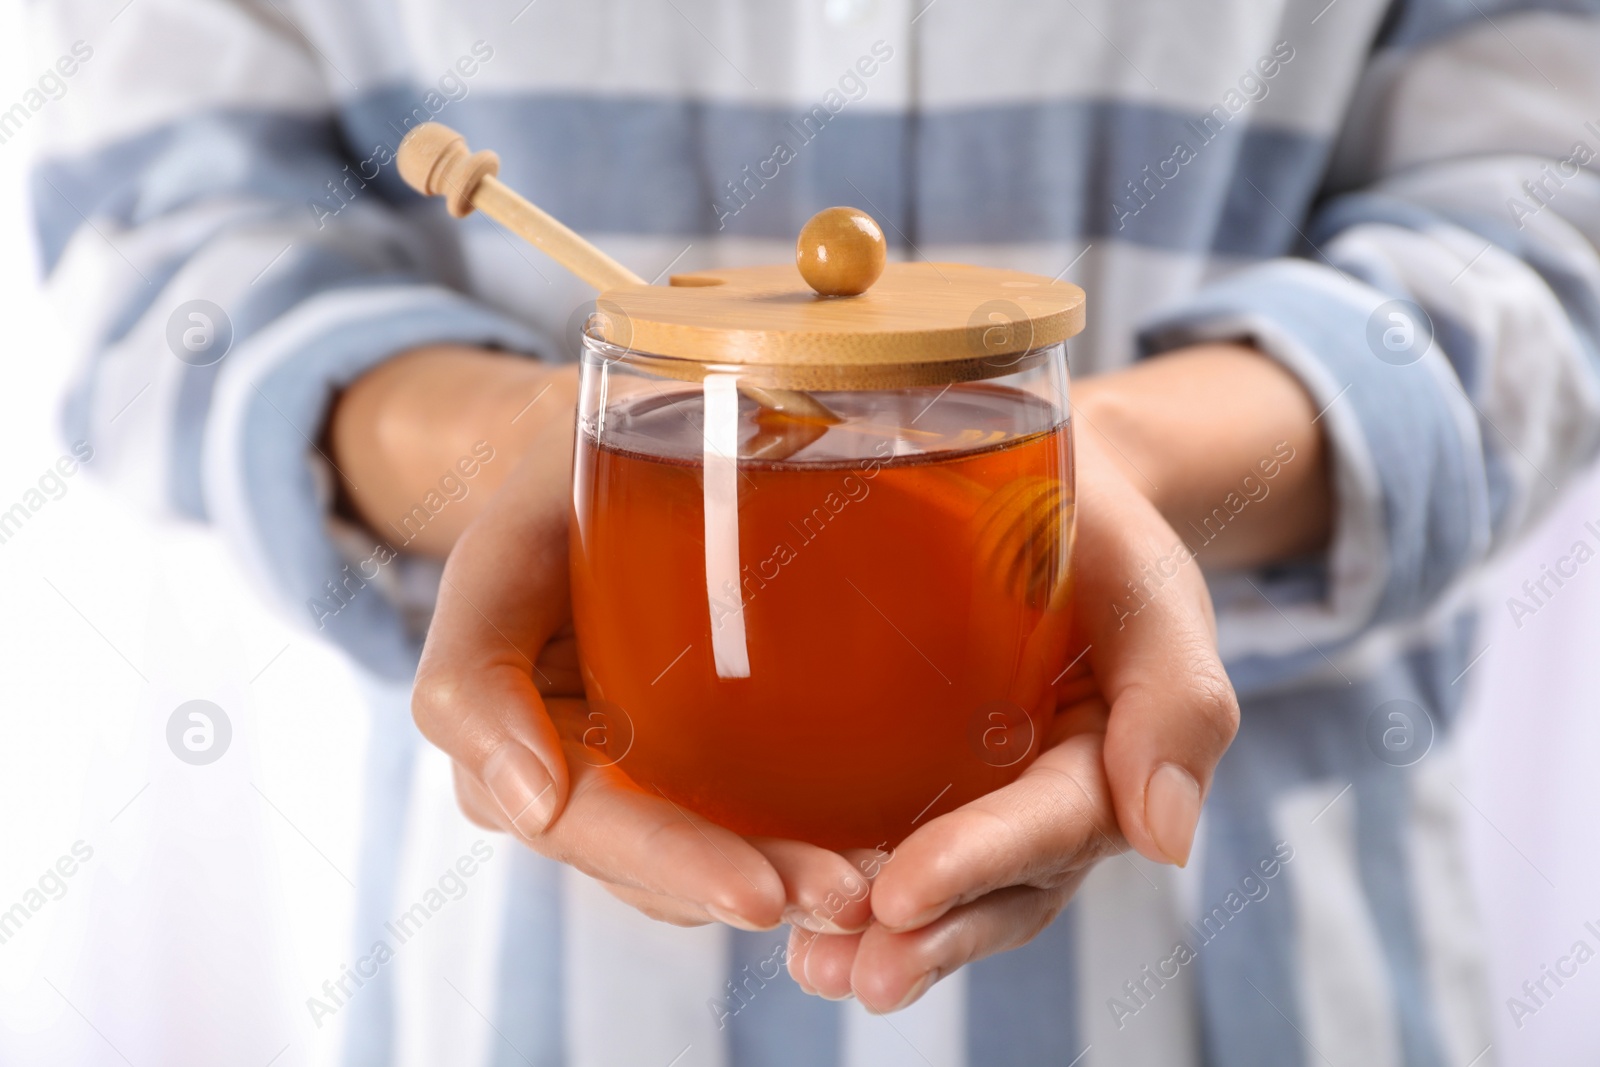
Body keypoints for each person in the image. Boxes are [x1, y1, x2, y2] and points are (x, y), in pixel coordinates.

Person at [31, 0, 1600, 1062]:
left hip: (1259, 987)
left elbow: (1546, 207)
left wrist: (1114, 463)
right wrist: (519, 452)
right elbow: (159, 234)